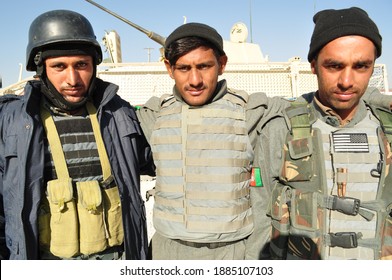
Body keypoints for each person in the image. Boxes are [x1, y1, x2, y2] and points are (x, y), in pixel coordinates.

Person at [0, 9, 154, 260]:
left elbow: (162, 160)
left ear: (93, 66)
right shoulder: (12, 122)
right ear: (41, 68)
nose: (72, 79)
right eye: (59, 66)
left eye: (81, 65)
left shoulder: (119, 114)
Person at [259, 7, 392, 260]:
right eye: (334, 66)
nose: (346, 81)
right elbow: (259, 215)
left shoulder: (387, 127)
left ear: (373, 67)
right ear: (313, 66)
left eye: (361, 66)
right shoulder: (281, 128)